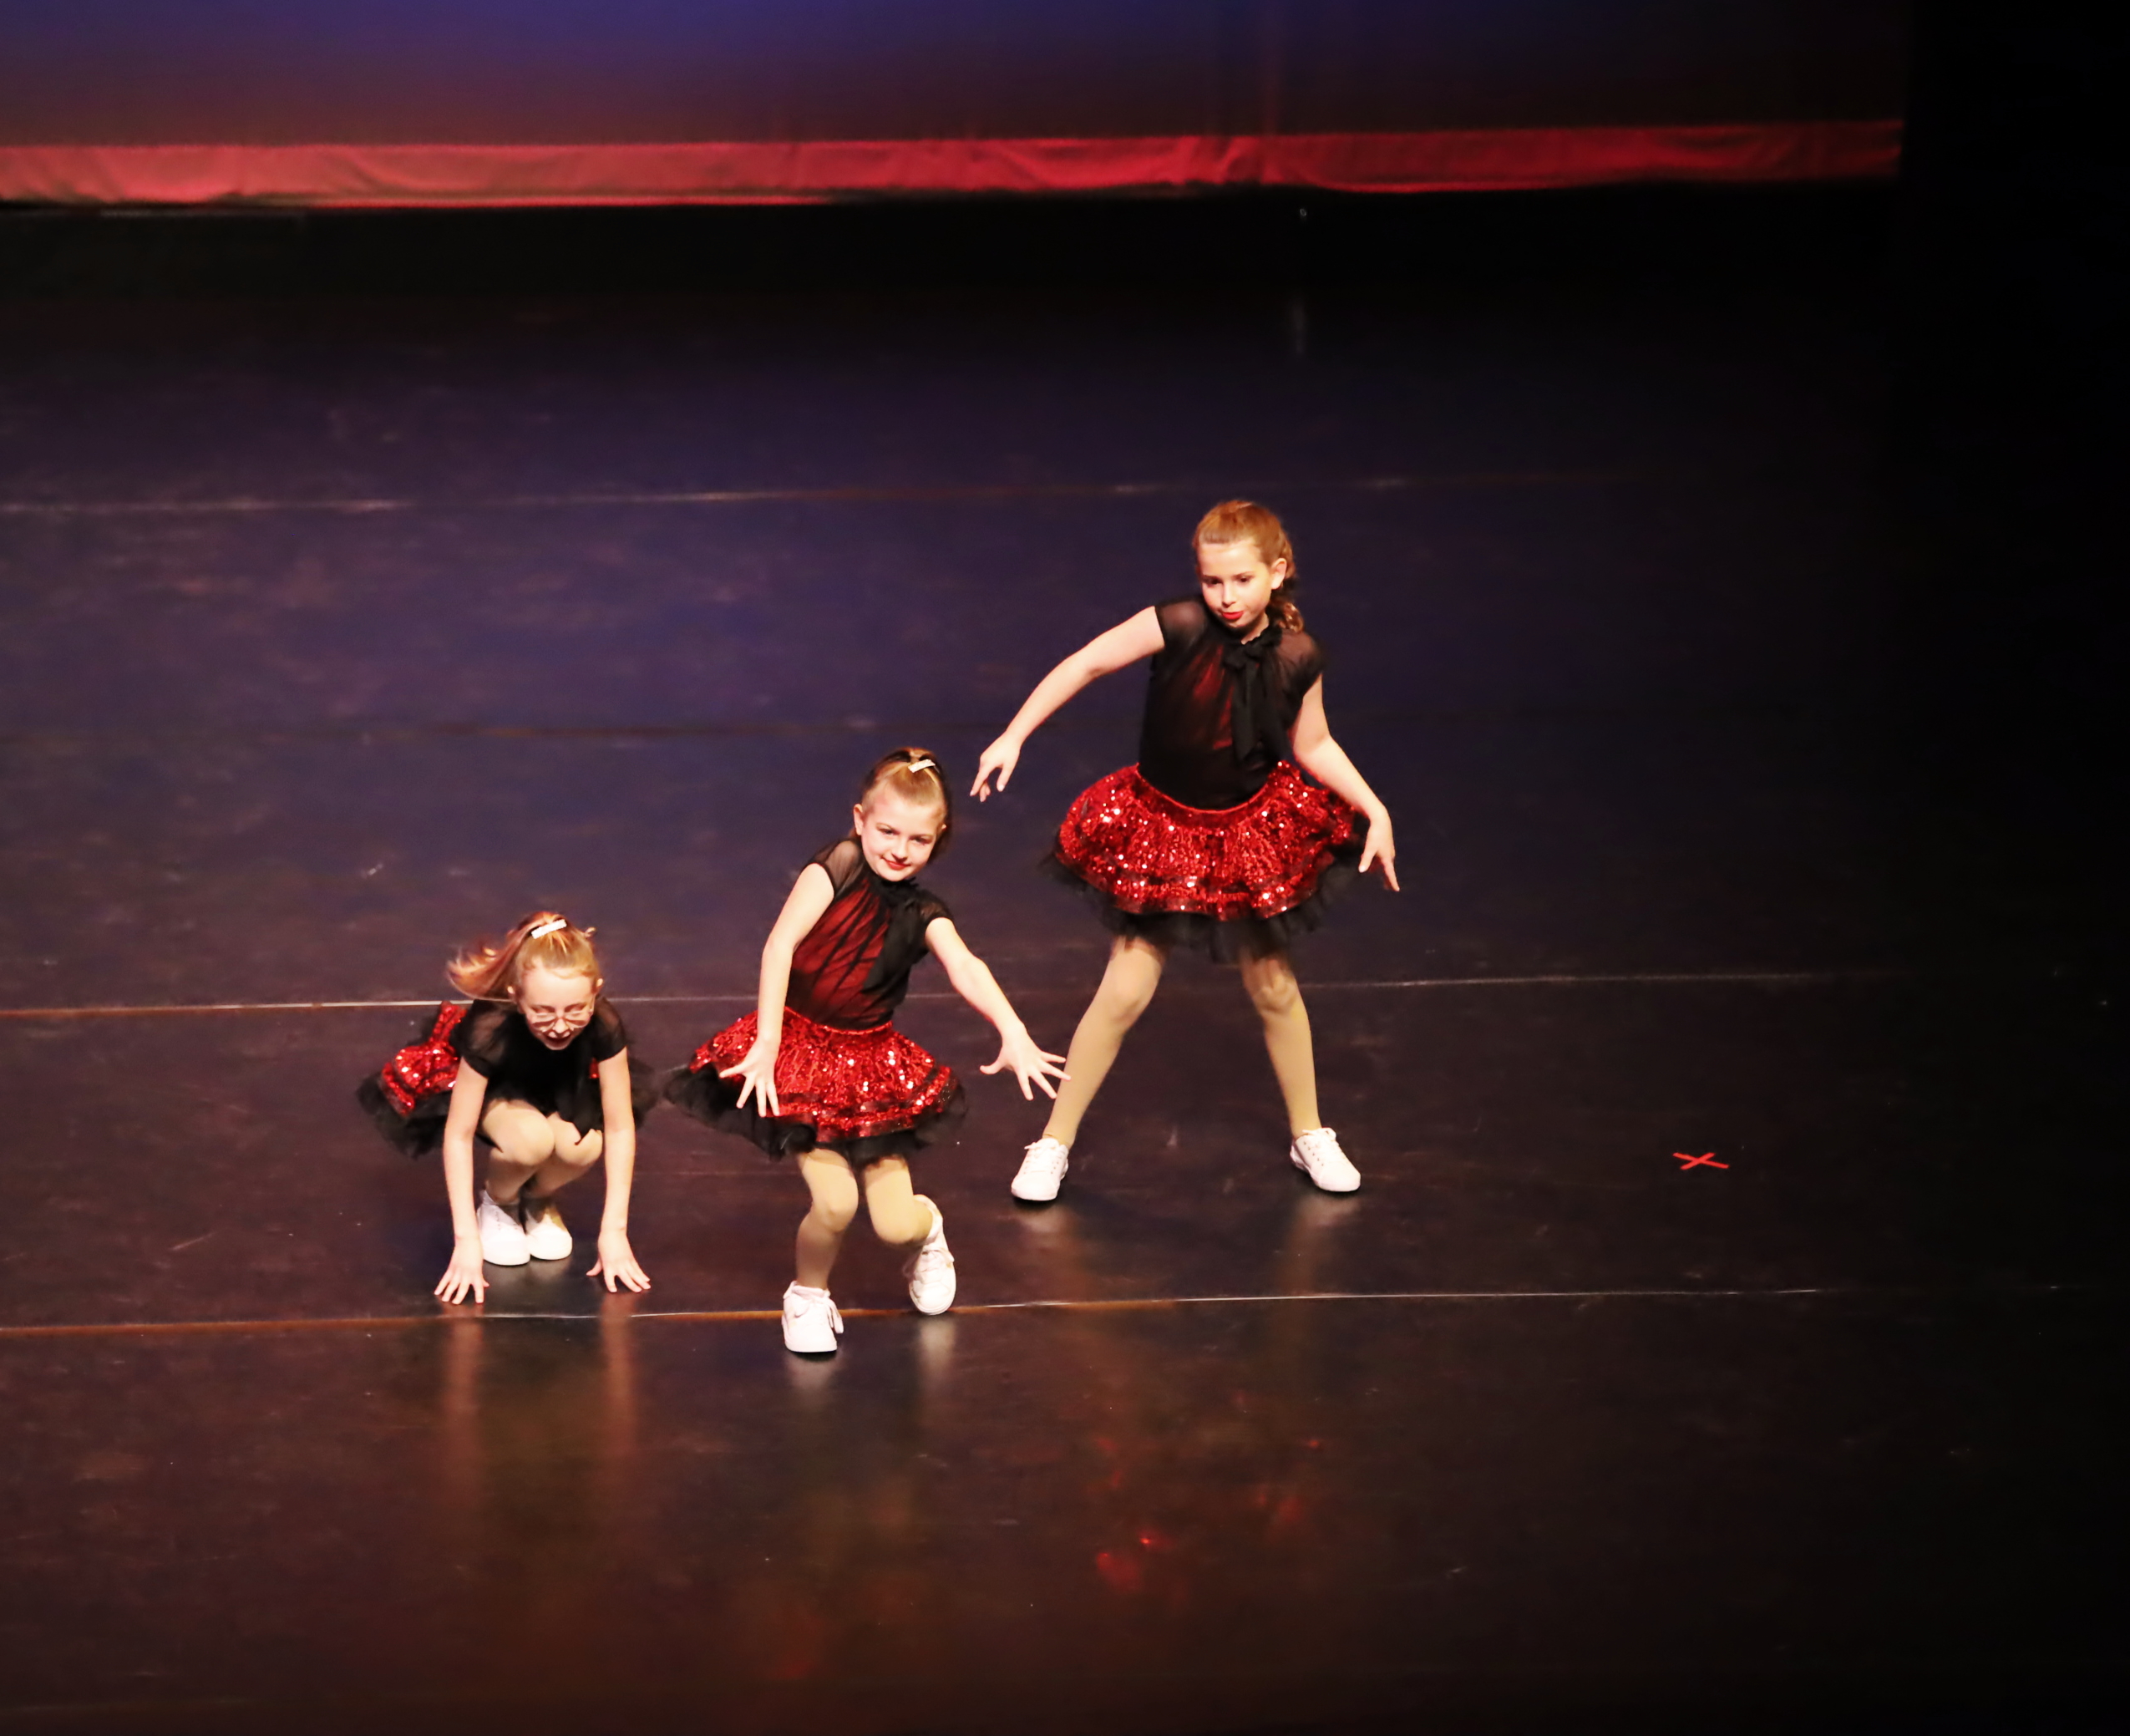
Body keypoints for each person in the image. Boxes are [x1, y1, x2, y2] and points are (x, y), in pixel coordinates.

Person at [970, 500, 1400, 1204]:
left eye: (1241, 580)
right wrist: (1014, 734)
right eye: (1212, 581)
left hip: (1246, 833)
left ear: (1277, 573)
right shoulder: (1176, 624)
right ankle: (1053, 1141)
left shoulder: (1299, 656)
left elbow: (1314, 743)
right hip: (1163, 829)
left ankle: (1310, 1133)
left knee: (1275, 988)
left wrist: (1374, 807)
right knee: (1124, 990)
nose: (1225, 596)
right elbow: (1086, 664)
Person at [665, 749, 1064, 1353]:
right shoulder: (839, 866)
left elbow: (967, 966)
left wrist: (1012, 1028)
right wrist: (769, 1039)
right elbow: (779, 946)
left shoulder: (924, 912)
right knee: (835, 1202)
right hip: (798, 1051)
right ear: (859, 821)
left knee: (895, 1223)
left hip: (871, 1068)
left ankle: (929, 1233)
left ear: (938, 838)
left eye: (918, 839)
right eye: (887, 832)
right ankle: (807, 1295)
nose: (899, 850)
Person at [358, 911, 651, 1304]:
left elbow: (619, 1127)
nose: (560, 1026)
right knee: (531, 1142)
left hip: (560, 1092)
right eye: (543, 1011)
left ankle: (538, 1199)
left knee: (583, 1145)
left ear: (596, 992)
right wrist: (466, 1242)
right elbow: (459, 1135)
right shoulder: (491, 1028)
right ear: (516, 997)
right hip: (500, 1096)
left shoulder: (604, 1023)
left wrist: (614, 1233)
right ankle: (499, 1202)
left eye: (575, 1010)